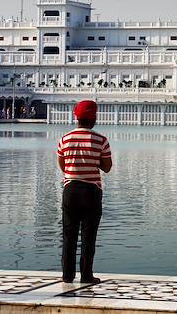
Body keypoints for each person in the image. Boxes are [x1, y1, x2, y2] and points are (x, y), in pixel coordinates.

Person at [57, 100, 112, 284]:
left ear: (77, 117)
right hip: (91, 191)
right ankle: (86, 275)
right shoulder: (101, 140)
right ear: (94, 118)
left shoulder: (64, 139)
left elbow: (63, 165)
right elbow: (107, 167)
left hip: (70, 189)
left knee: (69, 234)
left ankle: (67, 275)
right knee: (89, 235)